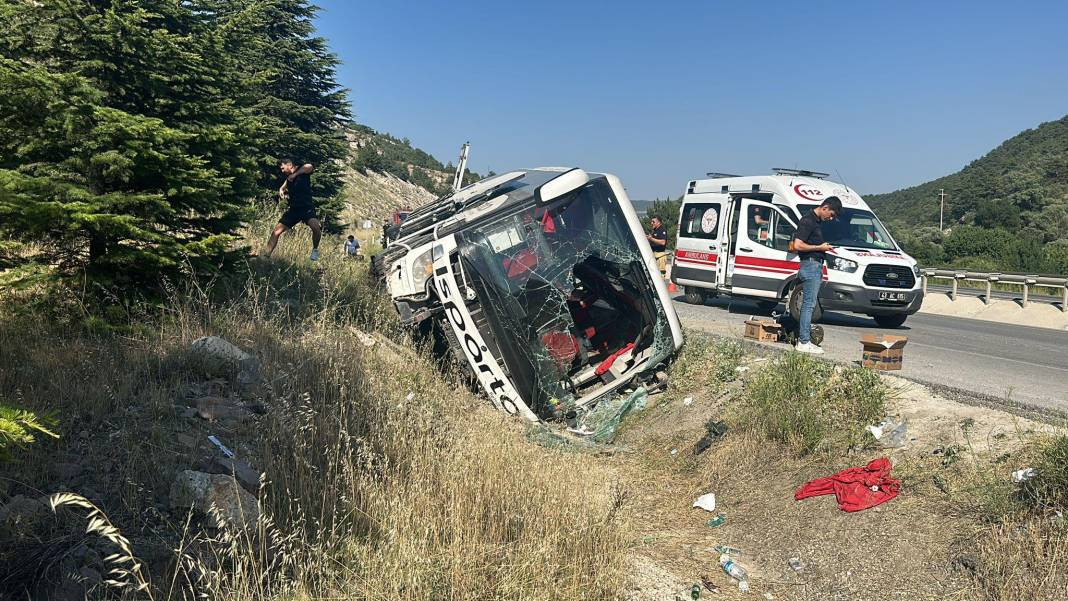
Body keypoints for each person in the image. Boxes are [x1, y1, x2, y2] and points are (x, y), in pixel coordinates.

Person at [790, 196, 842, 354]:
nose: (830, 218)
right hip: (810, 265)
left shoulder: (816, 222)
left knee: (809, 304)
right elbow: (798, 244)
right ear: (825, 207)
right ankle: (804, 342)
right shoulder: (808, 221)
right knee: (808, 305)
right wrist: (820, 247)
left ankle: (805, 340)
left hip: (815, 264)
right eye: (831, 214)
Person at [264, 159, 321, 261]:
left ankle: (315, 249)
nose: (282, 171)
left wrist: (295, 175)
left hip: (306, 207)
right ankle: (265, 256)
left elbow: (310, 166)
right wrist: (281, 189)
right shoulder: (288, 178)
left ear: (289, 165)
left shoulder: (302, 170)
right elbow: (285, 184)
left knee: (316, 228)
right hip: (294, 209)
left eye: (283, 168)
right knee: (276, 232)